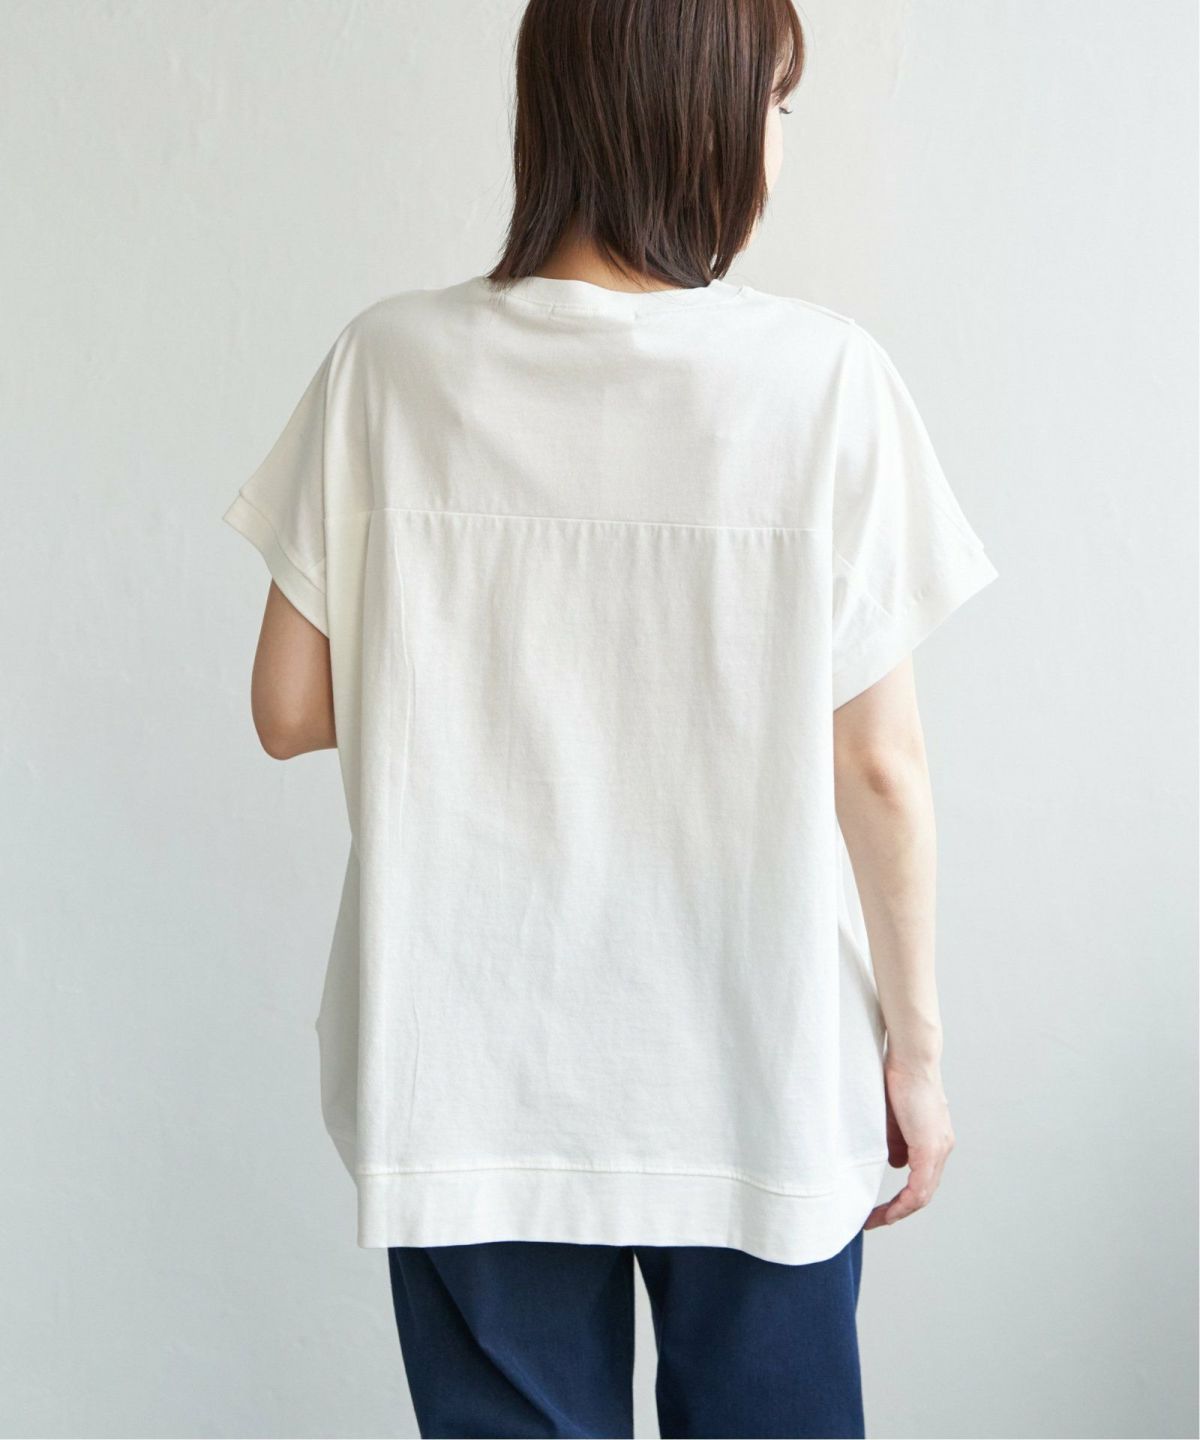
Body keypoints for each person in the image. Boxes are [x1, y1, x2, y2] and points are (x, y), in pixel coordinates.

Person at [222, 1, 998, 1434]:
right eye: (774, 104)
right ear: (702, 117)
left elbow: (286, 707)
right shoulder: (822, 381)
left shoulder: (388, 364)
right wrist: (919, 1056)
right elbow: (878, 768)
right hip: (758, 1067)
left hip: (470, 1066)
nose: (778, 143)